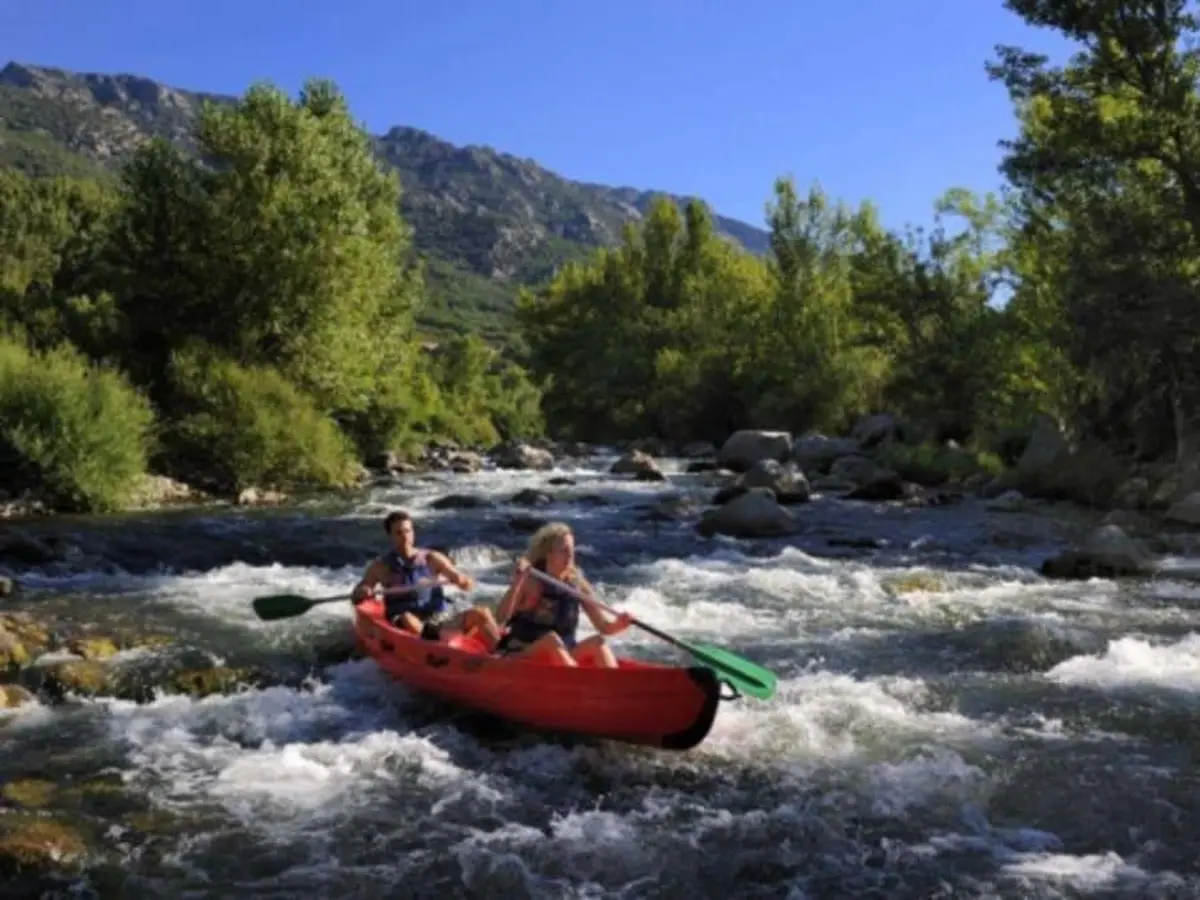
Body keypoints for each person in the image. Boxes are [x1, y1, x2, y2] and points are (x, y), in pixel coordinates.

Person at [352, 510, 502, 649]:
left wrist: (462, 581)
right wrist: (363, 591)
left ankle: (504, 653)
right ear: (390, 536)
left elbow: (460, 579)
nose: (405, 536)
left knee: (481, 613)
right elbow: (358, 593)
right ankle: (441, 646)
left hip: (438, 619)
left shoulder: (432, 558)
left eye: (408, 531)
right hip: (406, 624)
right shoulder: (380, 567)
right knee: (407, 618)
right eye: (398, 533)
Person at [494, 521, 633, 668]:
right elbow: (500, 618)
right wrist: (517, 583)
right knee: (551, 640)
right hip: (524, 654)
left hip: (563, 655)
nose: (570, 556)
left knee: (598, 642)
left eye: (572, 551)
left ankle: (611, 685)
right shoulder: (531, 581)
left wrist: (620, 624)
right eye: (564, 551)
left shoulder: (578, 585)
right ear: (548, 554)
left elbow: (604, 627)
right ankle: (577, 684)